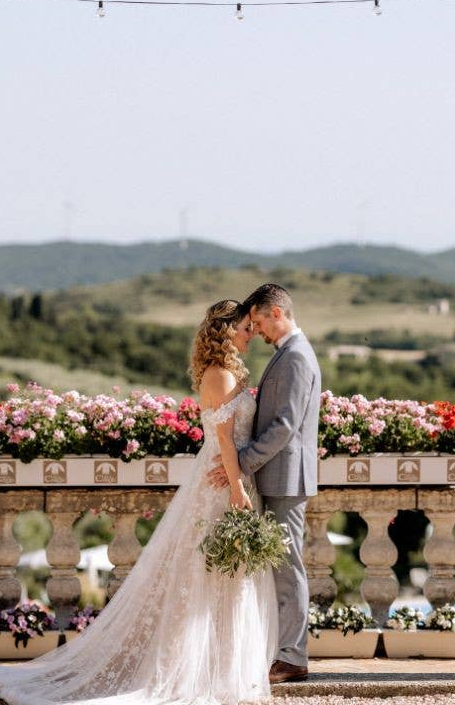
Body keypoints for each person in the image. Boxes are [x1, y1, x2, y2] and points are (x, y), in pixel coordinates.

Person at [0, 299, 278, 705]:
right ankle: (199, 671)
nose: (251, 332)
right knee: (210, 573)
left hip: (233, 478)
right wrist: (235, 489)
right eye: (245, 327)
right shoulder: (218, 375)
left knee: (228, 577)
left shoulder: (231, 372)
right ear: (226, 329)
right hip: (221, 481)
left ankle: (225, 668)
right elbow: (222, 440)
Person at [206, 283, 321, 684]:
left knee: (288, 568)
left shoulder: (295, 357)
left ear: (276, 313)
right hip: (276, 476)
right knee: (278, 567)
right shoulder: (288, 354)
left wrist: (242, 465)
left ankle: (293, 656)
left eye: (257, 322)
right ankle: (280, 650)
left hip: (285, 478)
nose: (256, 331)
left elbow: (285, 426)